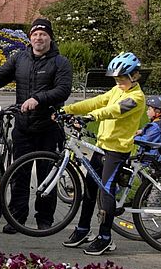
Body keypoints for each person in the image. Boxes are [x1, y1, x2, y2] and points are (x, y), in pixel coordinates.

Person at [0, 17, 73, 234]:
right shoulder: (20, 59)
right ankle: (16, 217)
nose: (39, 38)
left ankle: (45, 219)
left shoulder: (61, 62)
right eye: (35, 34)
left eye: (43, 34)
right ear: (30, 38)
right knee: (19, 173)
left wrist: (39, 99)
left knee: (45, 174)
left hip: (48, 127)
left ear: (50, 37)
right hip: (23, 127)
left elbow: (63, 90)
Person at [59, 52, 147, 256]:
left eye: (122, 78)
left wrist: (90, 117)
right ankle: (82, 229)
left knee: (106, 192)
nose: (119, 82)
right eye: (116, 79)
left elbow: (113, 110)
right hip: (102, 147)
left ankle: (105, 237)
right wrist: (69, 109)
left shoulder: (136, 98)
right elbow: (97, 101)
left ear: (134, 76)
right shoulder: (117, 90)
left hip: (117, 151)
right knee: (90, 188)